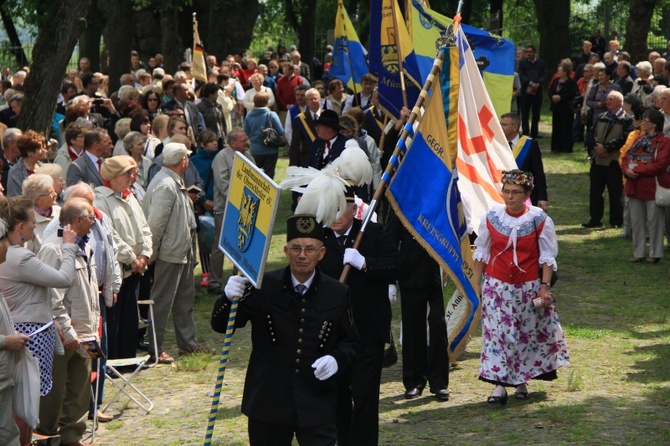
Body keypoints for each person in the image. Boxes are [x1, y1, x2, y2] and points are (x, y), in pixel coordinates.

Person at [212, 214, 358, 446]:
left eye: (310, 249)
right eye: (296, 248)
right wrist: (228, 299)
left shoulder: (337, 292)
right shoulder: (262, 286)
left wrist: (336, 358)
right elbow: (222, 326)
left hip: (316, 402)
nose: (302, 255)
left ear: (321, 254)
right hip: (268, 401)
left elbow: (353, 344)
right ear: (285, 250)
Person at [473, 169, 570, 404]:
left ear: (527, 194)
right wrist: (476, 284)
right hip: (497, 287)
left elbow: (546, 255)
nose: (509, 196)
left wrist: (545, 287)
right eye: (506, 191)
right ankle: (499, 385)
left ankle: (521, 380)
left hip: (527, 287)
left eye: (516, 192)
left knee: (524, 335)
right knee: (499, 335)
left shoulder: (539, 219)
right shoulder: (492, 216)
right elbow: (482, 252)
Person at [319, 191, 406, 446]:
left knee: (366, 398)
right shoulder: (319, 238)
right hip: (334, 333)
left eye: (340, 209)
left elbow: (400, 265)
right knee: (338, 397)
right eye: (329, 209)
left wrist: (366, 263)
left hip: (368, 330)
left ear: (352, 209)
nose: (335, 216)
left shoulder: (372, 232)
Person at [0, 196, 78, 443]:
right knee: (26, 402)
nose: (36, 226)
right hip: (28, 335)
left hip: (25, 330)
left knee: (22, 401)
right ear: (20, 227)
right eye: (33, 222)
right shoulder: (19, 257)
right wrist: (68, 246)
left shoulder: (14, 255)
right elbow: (64, 278)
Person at [36, 198, 101, 445]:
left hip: (85, 332)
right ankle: (47, 438)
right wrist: (69, 331)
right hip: (63, 335)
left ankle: (72, 437)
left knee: (80, 390)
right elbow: (52, 299)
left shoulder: (86, 245)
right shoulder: (54, 249)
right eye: (90, 217)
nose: (94, 221)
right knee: (53, 392)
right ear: (76, 221)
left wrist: (92, 327)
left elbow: (89, 289)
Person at [142, 142, 209, 364]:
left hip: (180, 251)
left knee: (184, 299)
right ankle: (155, 348)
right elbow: (156, 224)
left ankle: (188, 343)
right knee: (162, 302)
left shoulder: (172, 180)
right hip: (169, 254)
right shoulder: (165, 185)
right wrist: (151, 255)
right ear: (183, 161)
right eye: (187, 157)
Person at [386, 211, 449, 401]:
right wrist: (390, 279)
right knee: (413, 328)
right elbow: (390, 241)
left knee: (439, 326)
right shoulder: (402, 201)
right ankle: (414, 381)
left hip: (439, 273)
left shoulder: (440, 199)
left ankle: (439, 383)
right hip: (411, 272)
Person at [95, 156, 152, 359]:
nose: (131, 177)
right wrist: (131, 258)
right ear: (113, 177)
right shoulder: (101, 199)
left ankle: (128, 357)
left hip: (136, 267)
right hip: (118, 269)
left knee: (130, 316)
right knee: (115, 317)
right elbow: (110, 235)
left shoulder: (130, 196)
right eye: (126, 174)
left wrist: (145, 254)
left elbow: (144, 228)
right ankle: (113, 360)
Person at [207, 128, 254, 294]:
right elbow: (222, 183)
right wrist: (239, 201)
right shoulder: (222, 157)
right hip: (225, 209)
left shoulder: (248, 157)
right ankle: (214, 283)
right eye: (243, 140)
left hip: (245, 209)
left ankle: (240, 279)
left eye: (246, 138)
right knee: (221, 246)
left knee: (242, 244)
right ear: (232, 143)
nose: (247, 142)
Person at [622, 109, 670, 263]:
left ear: (654, 124)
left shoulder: (665, 142)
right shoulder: (638, 140)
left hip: (652, 187)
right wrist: (626, 171)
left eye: (645, 120)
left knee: (655, 222)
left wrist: (636, 170)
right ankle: (639, 253)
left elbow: (660, 165)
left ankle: (656, 253)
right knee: (637, 221)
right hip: (635, 185)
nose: (642, 122)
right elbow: (625, 157)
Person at [0, 218, 31, 446]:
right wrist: (5, 341)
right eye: (3, 240)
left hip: (4, 374)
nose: (6, 246)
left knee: (9, 434)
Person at [583, 91, 633, 228]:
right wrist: (595, 147)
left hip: (613, 162)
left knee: (615, 193)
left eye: (612, 99)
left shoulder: (627, 120)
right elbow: (591, 134)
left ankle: (616, 221)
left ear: (620, 102)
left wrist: (606, 148)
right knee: (595, 192)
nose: (608, 101)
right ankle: (595, 219)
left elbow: (624, 139)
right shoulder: (601, 116)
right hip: (597, 161)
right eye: (608, 99)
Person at [500, 113, 548, 211]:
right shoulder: (496, 144)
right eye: (501, 124)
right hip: (501, 195)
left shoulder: (530, 144)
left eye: (504, 125)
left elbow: (538, 172)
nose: (500, 127)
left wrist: (542, 197)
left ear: (514, 127)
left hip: (525, 197)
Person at [243, 91, 284, 179]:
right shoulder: (272, 115)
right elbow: (280, 132)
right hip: (271, 150)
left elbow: (246, 133)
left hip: (255, 150)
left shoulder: (249, 116)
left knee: (255, 177)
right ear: (267, 102)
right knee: (269, 175)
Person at [21, 174, 60, 254]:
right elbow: (28, 253)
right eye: (51, 192)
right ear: (39, 199)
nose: (55, 194)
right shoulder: (27, 221)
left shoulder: (60, 212)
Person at [7, 130, 49, 197]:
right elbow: (14, 200)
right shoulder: (15, 172)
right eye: (40, 148)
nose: (44, 150)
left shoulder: (45, 168)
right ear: (29, 152)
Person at [518, 45, 547, 138]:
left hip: (537, 91)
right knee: (525, 112)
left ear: (534, 52)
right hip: (526, 91)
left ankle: (535, 132)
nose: (528, 54)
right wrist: (530, 83)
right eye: (527, 52)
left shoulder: (541, 63)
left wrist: (539, 83)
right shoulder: (523, 63)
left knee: (536, 112)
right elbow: (521, 75)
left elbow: (544, 74)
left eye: (530, 52)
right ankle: (525, 132)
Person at [548, 63, 577, 153]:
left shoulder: (571, 82)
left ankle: (565, 147)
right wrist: (553, 96)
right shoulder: (556, 80)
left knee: (566, 128)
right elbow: (550, 90)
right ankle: (556, 147)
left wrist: (561, 97)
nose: (558, 72)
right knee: (556, 128)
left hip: (566, 108)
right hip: (556, 107)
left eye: (560, 71)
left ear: (565, 72)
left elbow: (572, 93)